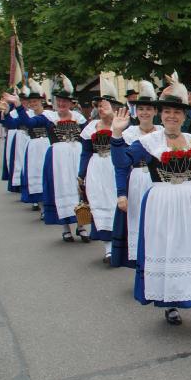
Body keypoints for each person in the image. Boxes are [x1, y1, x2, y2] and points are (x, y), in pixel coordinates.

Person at [110, 80, 191, 336]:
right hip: (162, 204)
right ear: (161, 114)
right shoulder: (149, 142)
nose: (172, 116)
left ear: (184, 116)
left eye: (177, 112)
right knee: (169, 251)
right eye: (167, 111)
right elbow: (122, 162)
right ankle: (171, 305)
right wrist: (117, 135)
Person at [12, 76, 88, 243]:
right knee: (60, 189)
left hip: (76, 156)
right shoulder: (49, 117)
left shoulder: (79, 118)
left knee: (79, 189)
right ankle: (65, 228)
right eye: (59, 101)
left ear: (71, 103)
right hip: (57, 159)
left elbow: (87, 138)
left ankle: (81, 225)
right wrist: (18, 106)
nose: (61, 104)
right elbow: (28, 122)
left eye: (65, 101)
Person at [112, 81, 161, 267]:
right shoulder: (129, 134)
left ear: (155, 111)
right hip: (137, 181)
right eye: (141, 109)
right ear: (136, 111)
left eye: (149, 109)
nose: (145, 113)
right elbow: (121, 167)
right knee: (138, 222)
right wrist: (121, 194)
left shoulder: (162, 132)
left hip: (159, 181)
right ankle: (142, 266)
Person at [79, 77, 122, 263]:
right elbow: (85, 152)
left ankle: (122, 245)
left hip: (116, 166)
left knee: (117, 203)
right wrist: (81, 174)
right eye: (99, 106)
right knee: (100, 203)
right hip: (97, 167)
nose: (101, 108)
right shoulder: (91, 127)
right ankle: (108, 248)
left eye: (105, 105)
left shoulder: (122, 125)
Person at [18, 80, 50, 212]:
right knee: (35, 172)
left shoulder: (49, 115)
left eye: (35, 101)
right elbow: (12, 123)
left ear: (41, 101)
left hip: (47, 145)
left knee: (48, 173)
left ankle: (49, 205)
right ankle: (40, 205)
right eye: (30, 102)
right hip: (33, 147)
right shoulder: (27, 115)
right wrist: (4, 113)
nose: (33, 104)